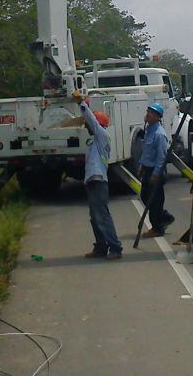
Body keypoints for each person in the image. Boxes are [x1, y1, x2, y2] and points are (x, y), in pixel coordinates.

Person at [74, 92, 122, 260]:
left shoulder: (102, 135)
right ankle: (101, 247)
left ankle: (115, 247)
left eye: (90, 124)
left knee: (102, 216)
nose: (87, 126)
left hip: (99, 181)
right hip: (93, 181)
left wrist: (82, 104)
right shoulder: (95, 142)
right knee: (95, 218)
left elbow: (92, 122)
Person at [138, 103, 174, 238]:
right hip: (147, 169)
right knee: (145, 197)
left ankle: (157, 228)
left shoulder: (159, 134)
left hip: (156, 171)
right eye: (148, 111)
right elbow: (146, 151)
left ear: (158, 117)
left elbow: (161, 157)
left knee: (155, 200)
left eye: (151, 113)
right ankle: (165, 217)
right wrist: (141, 165)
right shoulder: (149, 130)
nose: (148, 114)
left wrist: (156, 174)